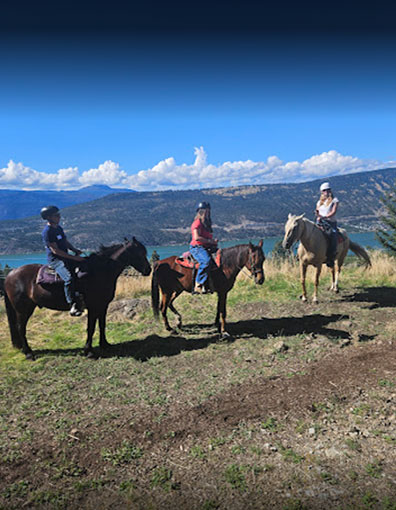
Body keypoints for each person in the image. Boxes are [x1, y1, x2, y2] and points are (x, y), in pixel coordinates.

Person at [40, 205, 86, 316]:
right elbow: (55, 251)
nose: (59, 216)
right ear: (49, 217)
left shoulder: (58, 228)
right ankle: (72, 304)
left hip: (65, 257)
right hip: (56, 260)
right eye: (56, 215)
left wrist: (75, 250)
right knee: (68, 278)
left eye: (59, 214)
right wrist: (74, 257)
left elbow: (65, 242)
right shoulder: (48, 232)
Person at [189, 201, 218, 294]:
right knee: (206, 261)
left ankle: (211, 284)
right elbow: (196, 237)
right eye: (206, 211)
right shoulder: (196, 223)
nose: (208, 213)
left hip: (206, 246)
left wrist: (213, 243)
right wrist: (210, 241)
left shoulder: (207, 224)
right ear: (201, 212)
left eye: (208, 211)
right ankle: (198, 284)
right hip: (197, 247)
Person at [315, 182, 339, 268]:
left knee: (332, 235)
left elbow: (333, 212)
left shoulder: (334, 200)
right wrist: (317, 215)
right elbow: (318, 211)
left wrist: (324, 217)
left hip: (330, 223)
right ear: (322, 192)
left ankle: (331, 257)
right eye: (324, 191)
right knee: (309, 233)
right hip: (320, 222)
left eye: (328, 190)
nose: (326, 192)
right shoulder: (319, 202)